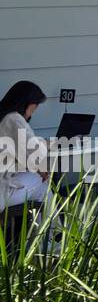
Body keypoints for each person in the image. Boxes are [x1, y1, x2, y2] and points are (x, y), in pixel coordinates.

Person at [0, 81, 50, 210]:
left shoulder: (4, 118)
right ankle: (54, 230)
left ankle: (50, 229)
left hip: (5, 183)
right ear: (28, 102)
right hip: (2, 191)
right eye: (36, 104)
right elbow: (36, 152)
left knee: (41, 185)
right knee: (42, 182)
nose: (36, 108)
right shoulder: (14, 119)